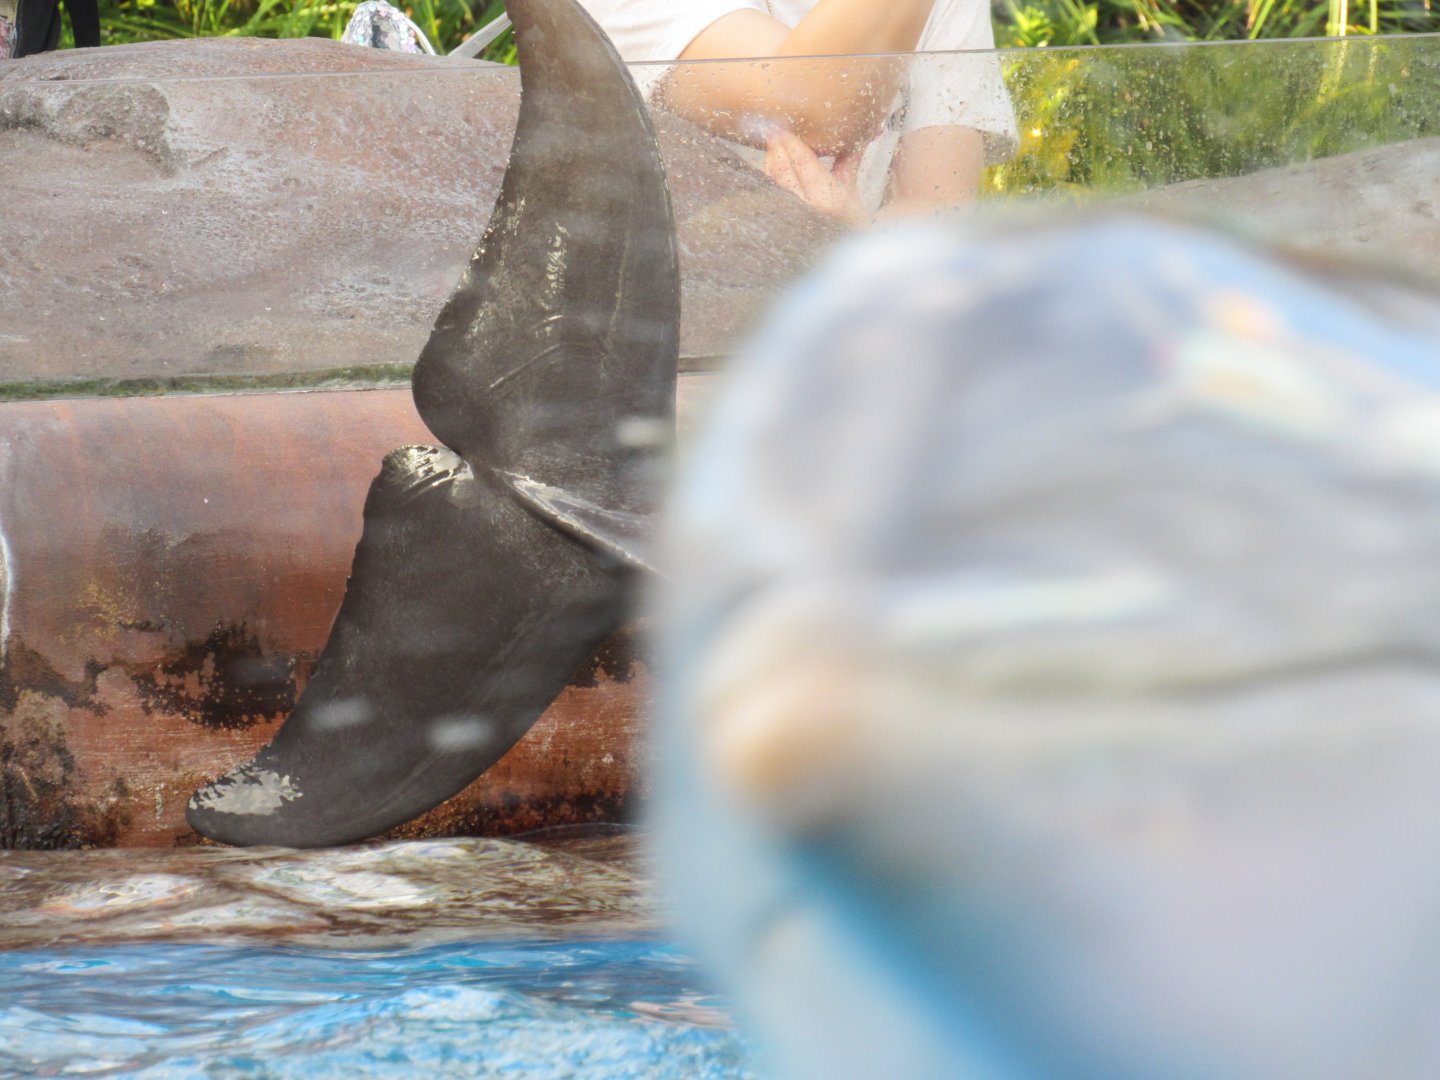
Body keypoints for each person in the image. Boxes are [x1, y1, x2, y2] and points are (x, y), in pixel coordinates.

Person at [579, 0, 1017, 223]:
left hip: (845, 337)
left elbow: (938, 208)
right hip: (667, 358)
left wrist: (857, 247)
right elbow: (816, 109)